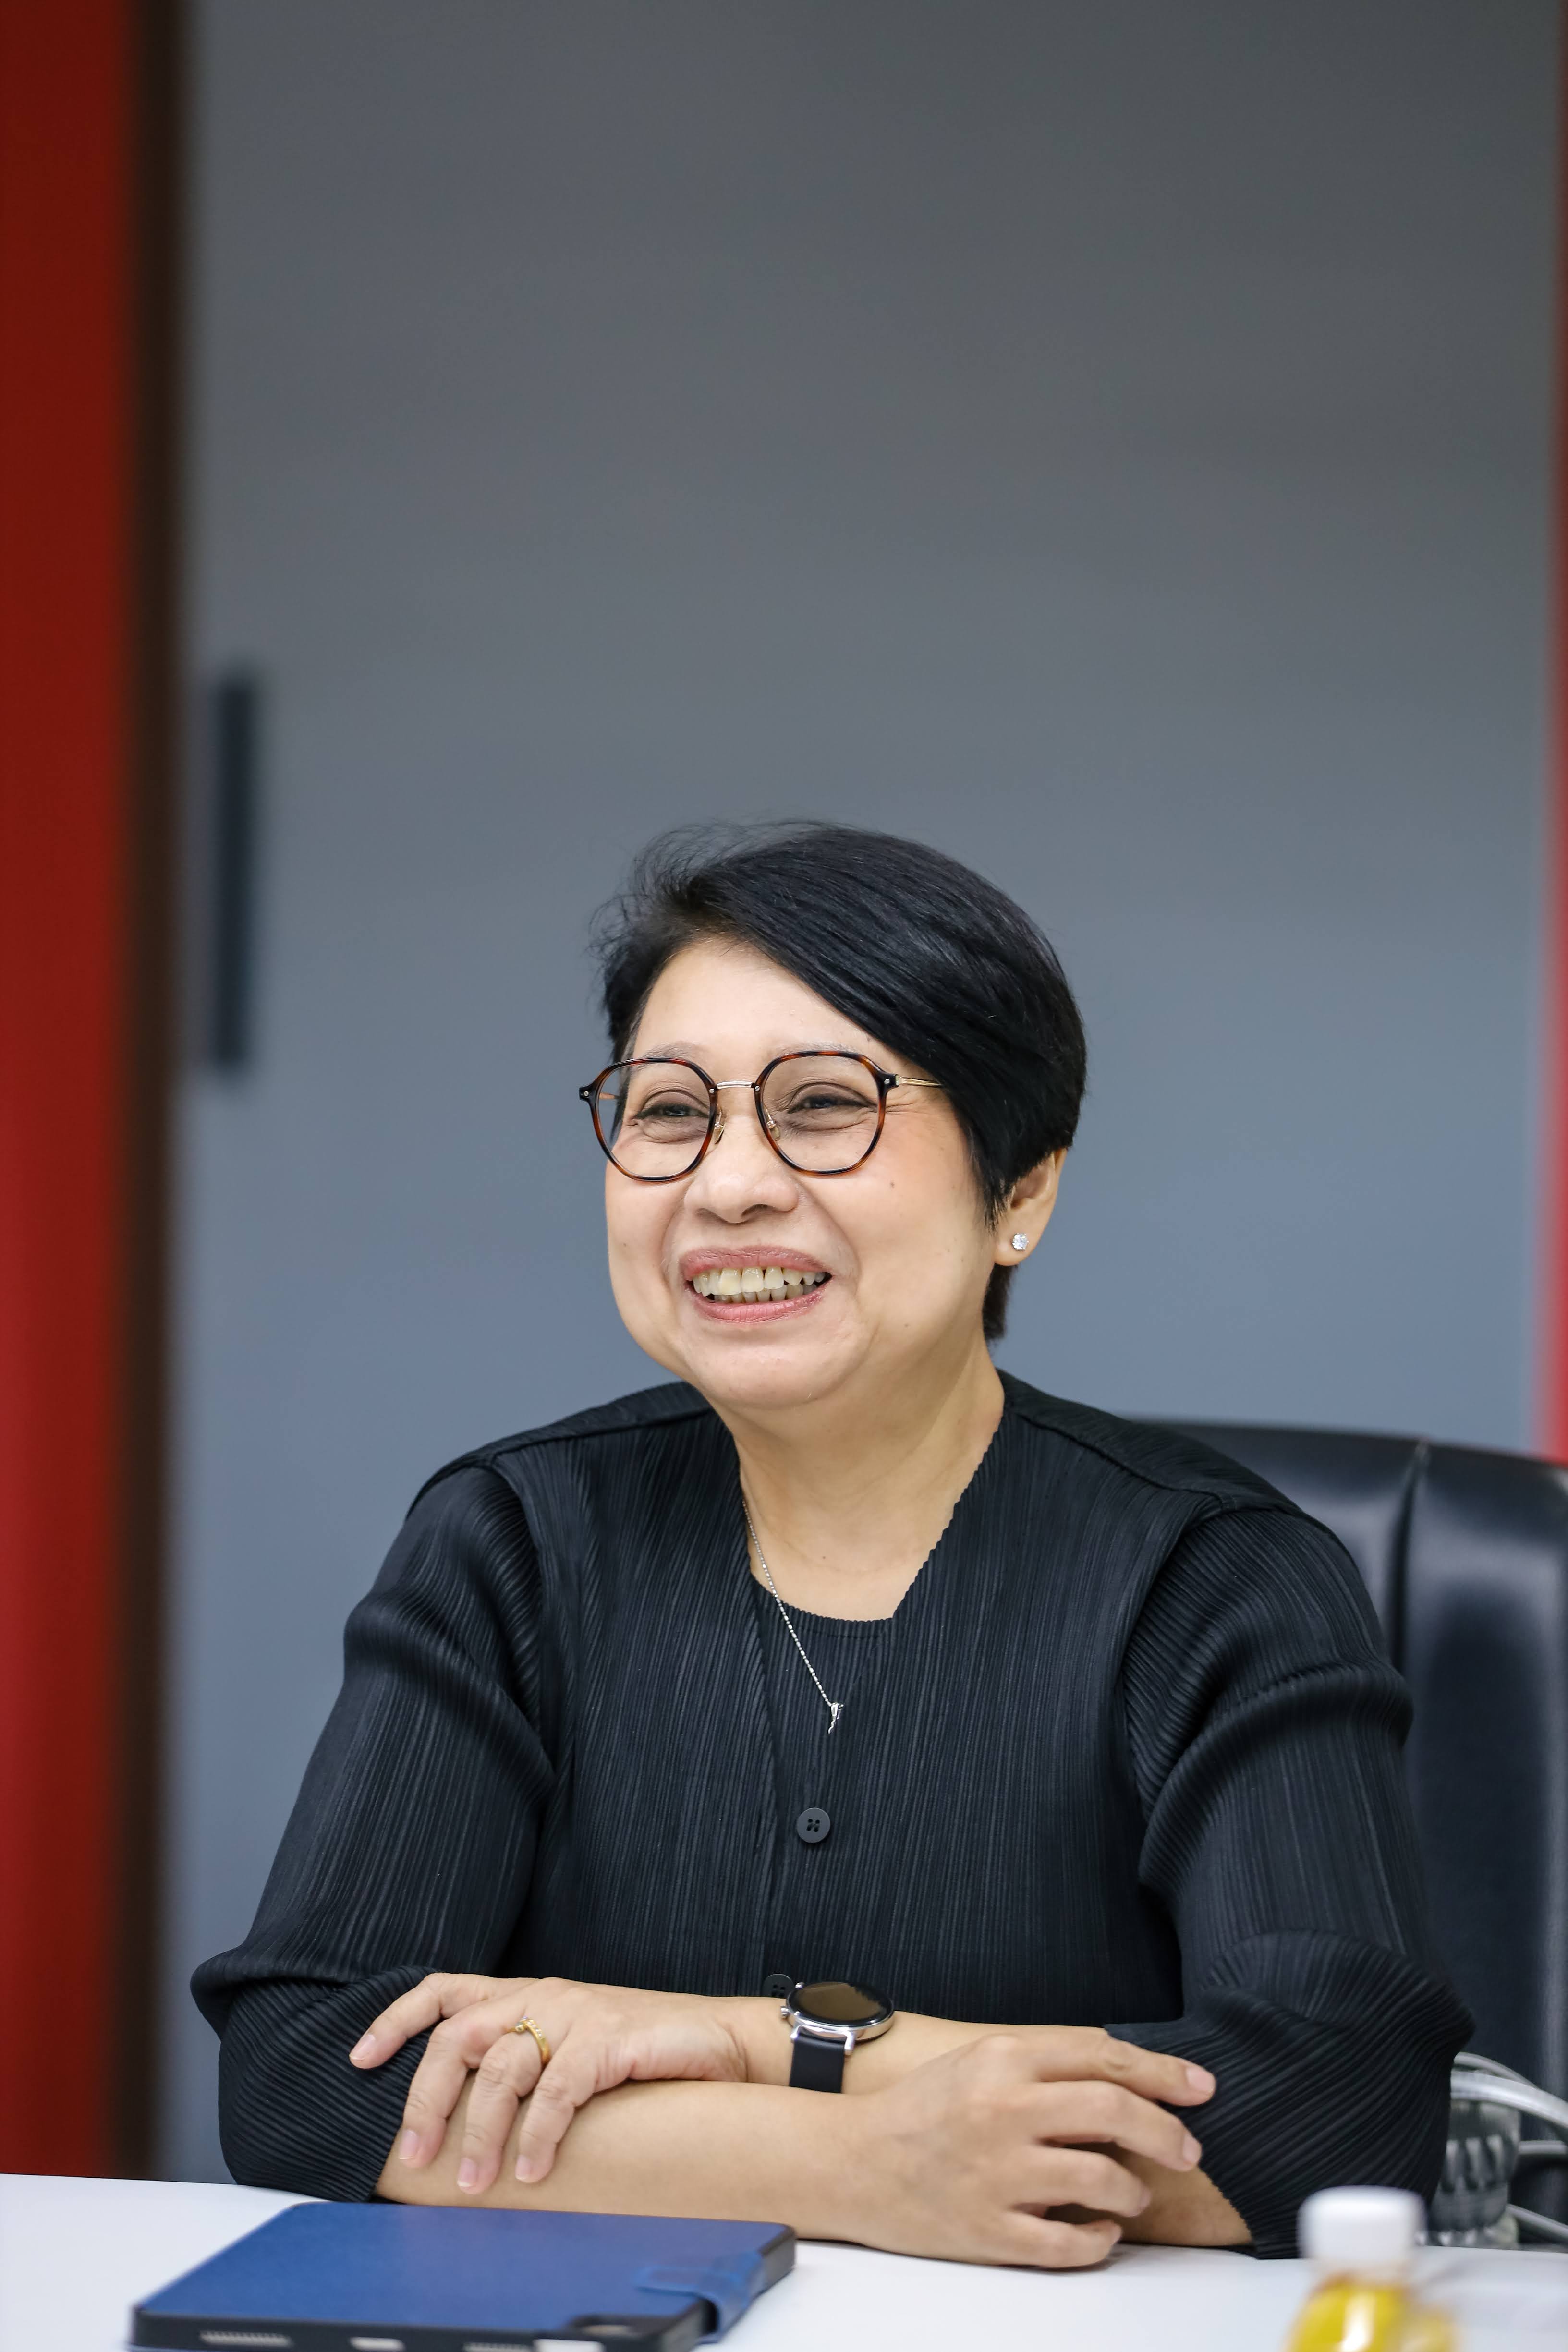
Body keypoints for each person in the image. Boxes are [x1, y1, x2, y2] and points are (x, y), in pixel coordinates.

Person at [194, 823, 1468, 2266]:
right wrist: (861, 2162)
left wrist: (744, 2046)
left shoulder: (1215, 1576)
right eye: (669, 1112)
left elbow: (1336, 2112)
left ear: (1020, 1190)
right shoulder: (513, 1541)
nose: (727, 1184)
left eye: (821, 1105)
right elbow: (308, 2074)